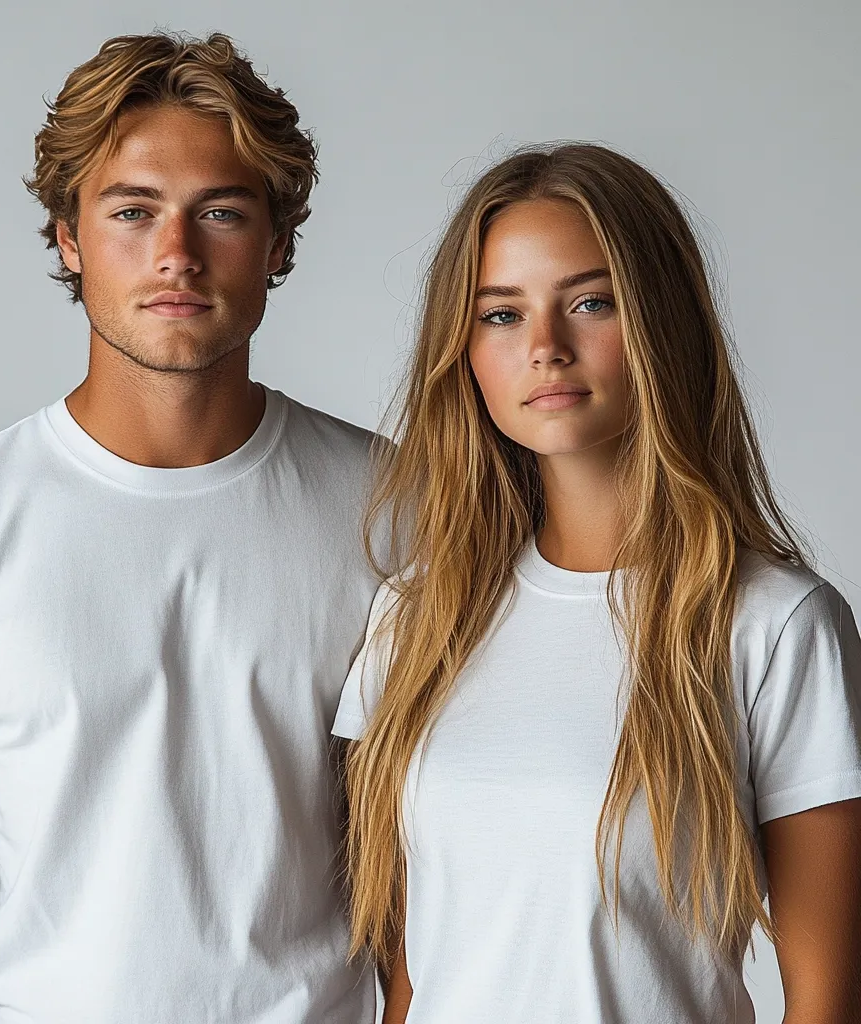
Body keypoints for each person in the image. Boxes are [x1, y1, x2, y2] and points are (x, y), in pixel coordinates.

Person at [0, 31, 382, 1024]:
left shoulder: (399, 510)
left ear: (277, 242)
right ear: (69, 238)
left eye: (219, 211)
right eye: (132, 211)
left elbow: (435, 871)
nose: (175, 253)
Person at [335, 143, 861, 1023]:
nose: (544, 347)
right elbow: (411, 984)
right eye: (501, 314)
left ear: (661, 321)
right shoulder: (416, 621)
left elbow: (828, 1001)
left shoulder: (772, 624)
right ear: (462, 351)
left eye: (590, 302)